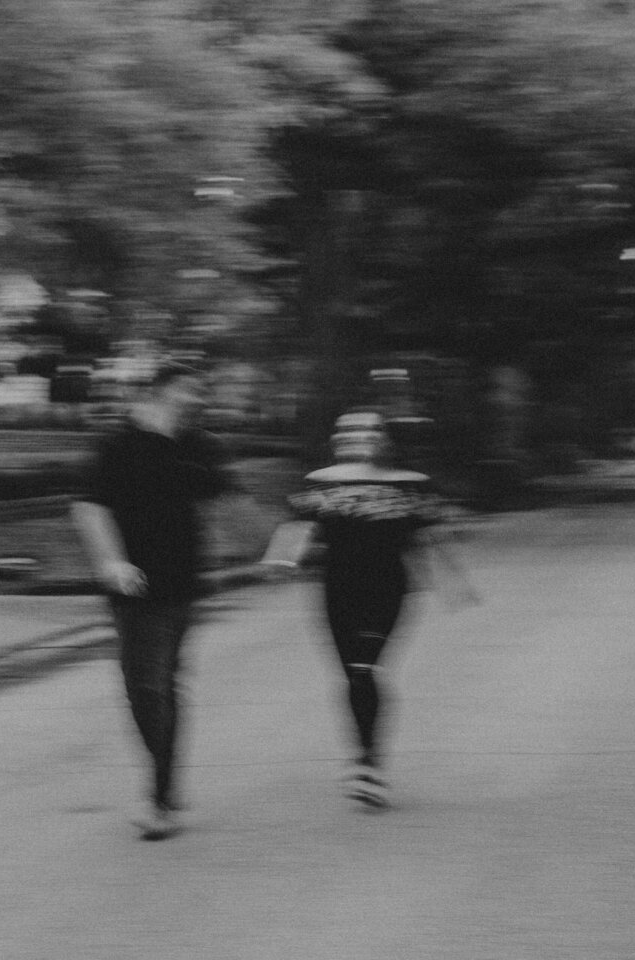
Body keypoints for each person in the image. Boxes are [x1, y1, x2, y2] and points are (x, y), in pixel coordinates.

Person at [71, 359, 256, 840]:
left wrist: (274, 549)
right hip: (131, 583)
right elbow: (89, 507)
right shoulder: (117, 444)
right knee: (142, 688)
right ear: (159, 391)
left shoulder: (199, 446)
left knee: (163, 685)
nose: (197, 399)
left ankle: (159, 796)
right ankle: (167, 782)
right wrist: (111, 561)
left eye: (200, 392)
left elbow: (231, 499)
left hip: (182, 584)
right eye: (189, 390)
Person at [261, 408, 475, 809]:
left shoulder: (411, 486)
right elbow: (297, 527)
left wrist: (454, 580)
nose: (360, 438)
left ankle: (369, 764)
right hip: (336, 591)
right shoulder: (319, 483)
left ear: (384, 439)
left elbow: (433, 533)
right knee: (351, 675)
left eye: (370, 431)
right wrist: (281, 561)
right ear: (338, 439)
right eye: (350, 431)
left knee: (364, 668)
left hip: (389, 591)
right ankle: (364, 759)